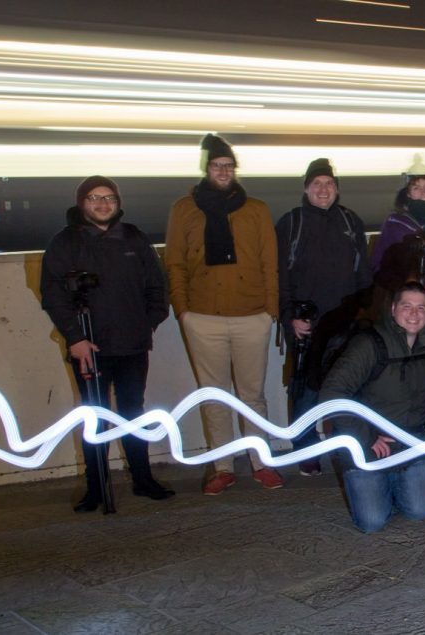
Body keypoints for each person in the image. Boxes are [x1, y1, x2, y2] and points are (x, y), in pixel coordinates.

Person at [41, 176, 175, 512]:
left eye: (109, 198)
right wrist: (75, 338)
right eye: (95, 198)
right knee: (94, 418)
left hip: (132, 344)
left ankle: (143, 479)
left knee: (133, 413)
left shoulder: (133, 237)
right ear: (82, 203)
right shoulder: (65, 242)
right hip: (89, 347)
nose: (103, 204)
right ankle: (96, 487)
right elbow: (53, 294)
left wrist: (148, 322)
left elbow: (157, 286)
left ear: (118, 203)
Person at [164, 134, 282, 495]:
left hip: (252, 315)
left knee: (252, 395)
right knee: (214, 396)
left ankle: (260, 462)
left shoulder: (256, 209)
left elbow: (270, 262)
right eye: (217, 166)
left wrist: (270, 310)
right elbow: (175, 262)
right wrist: (183, 311)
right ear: (207, 169)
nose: (223, 172)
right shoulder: (184, 209)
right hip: (202, 316)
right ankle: (222, 467)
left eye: (229, 166)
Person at [276, 157, 373, 477]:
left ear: (337, 189)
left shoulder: (350, 221)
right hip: (308, 324)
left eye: (329, 184)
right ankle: (305, 449)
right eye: (316, 184)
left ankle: (346, 443)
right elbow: (280, 276)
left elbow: (363, 274)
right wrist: (290, 317)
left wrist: (364, 315)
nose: (323, 189)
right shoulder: (291, 223)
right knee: (307, 390)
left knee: (348, 386)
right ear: (306, 189)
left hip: (346, 322)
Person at [320, 282, 425, 533]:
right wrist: (366, 436)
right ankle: (375, 481)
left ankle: (393, 482)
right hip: (370, 444)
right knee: (372, 521)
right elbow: (332, 394)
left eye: (421, 307)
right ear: (393, 309)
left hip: (411, 443)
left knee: (419, 510)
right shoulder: (368, 344)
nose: (414, 314)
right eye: (407, 306)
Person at [371, 172, 425, 338]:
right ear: (408, 194)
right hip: (406, 307)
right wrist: (407, 284)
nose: (423, 191)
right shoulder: (394, 224)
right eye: (416, 188)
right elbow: (379, 266)